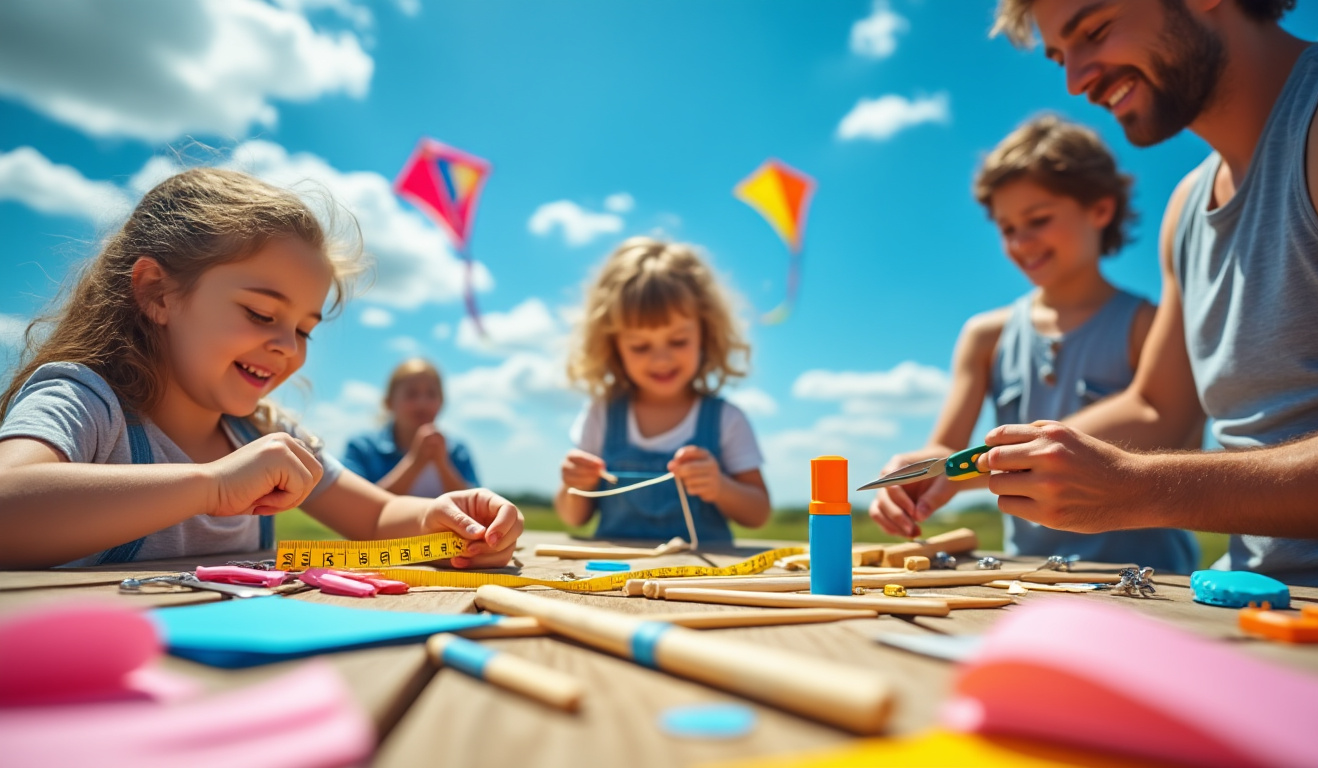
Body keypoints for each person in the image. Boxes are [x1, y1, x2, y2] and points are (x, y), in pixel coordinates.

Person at [961, 0, 1318, 586]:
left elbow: (1153, 455)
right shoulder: (1186, 211)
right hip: (1255, 602)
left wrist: (1143, 489)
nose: (1077, 80)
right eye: (1062, 56)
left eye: (1095, 30)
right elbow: (1158, 410)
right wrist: (973, 464)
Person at [0, 168, 522, 570]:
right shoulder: (87, 402)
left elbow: (378, 517)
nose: (286, 347)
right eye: (261, 314)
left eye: (304, 329)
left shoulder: (267, 434)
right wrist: (210, 486)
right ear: (157, 292)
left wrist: (445, 520)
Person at [868, 115, 1199, 573]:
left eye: (1038, 220)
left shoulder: (1150, 325)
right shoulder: (985, 337)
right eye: (1006, 229)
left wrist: (984, 465)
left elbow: (1171, 428)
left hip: (1147, 578)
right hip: (1029, 577)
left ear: (1100, 210)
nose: (1021, 243)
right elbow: (945, 450)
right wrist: (914, 474)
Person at [555, 237, 770, 542]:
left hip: (701, 580)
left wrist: (720, 487)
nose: (661, 359)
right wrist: (574, 484)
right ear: (613, 346)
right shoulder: (601, 414)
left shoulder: (727, 420)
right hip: (616, 582)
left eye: (678, 341)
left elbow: (758, 513)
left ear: (705, 333)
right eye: (640, 346)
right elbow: (573, 516)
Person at [343, 359, 478, 497]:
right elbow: (351, 504)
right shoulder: (362, 447)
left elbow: (476, 506)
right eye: (411, 394)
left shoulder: (457, 451)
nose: (422, 404)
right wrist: (414, 462)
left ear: (441, 402)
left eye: (431, 394)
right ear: (389, 402)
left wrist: (443, 465)